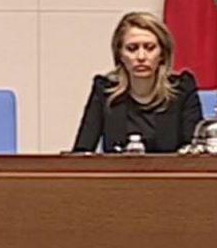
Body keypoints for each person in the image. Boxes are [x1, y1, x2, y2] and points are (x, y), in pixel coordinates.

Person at [72, 12, 202, 153]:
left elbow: (194, 152)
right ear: (120, 55)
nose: (141, 57)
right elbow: (82, 151)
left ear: (162, 54)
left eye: (149, 48)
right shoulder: (104, 91)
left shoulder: (182, 90)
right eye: (132, 48)